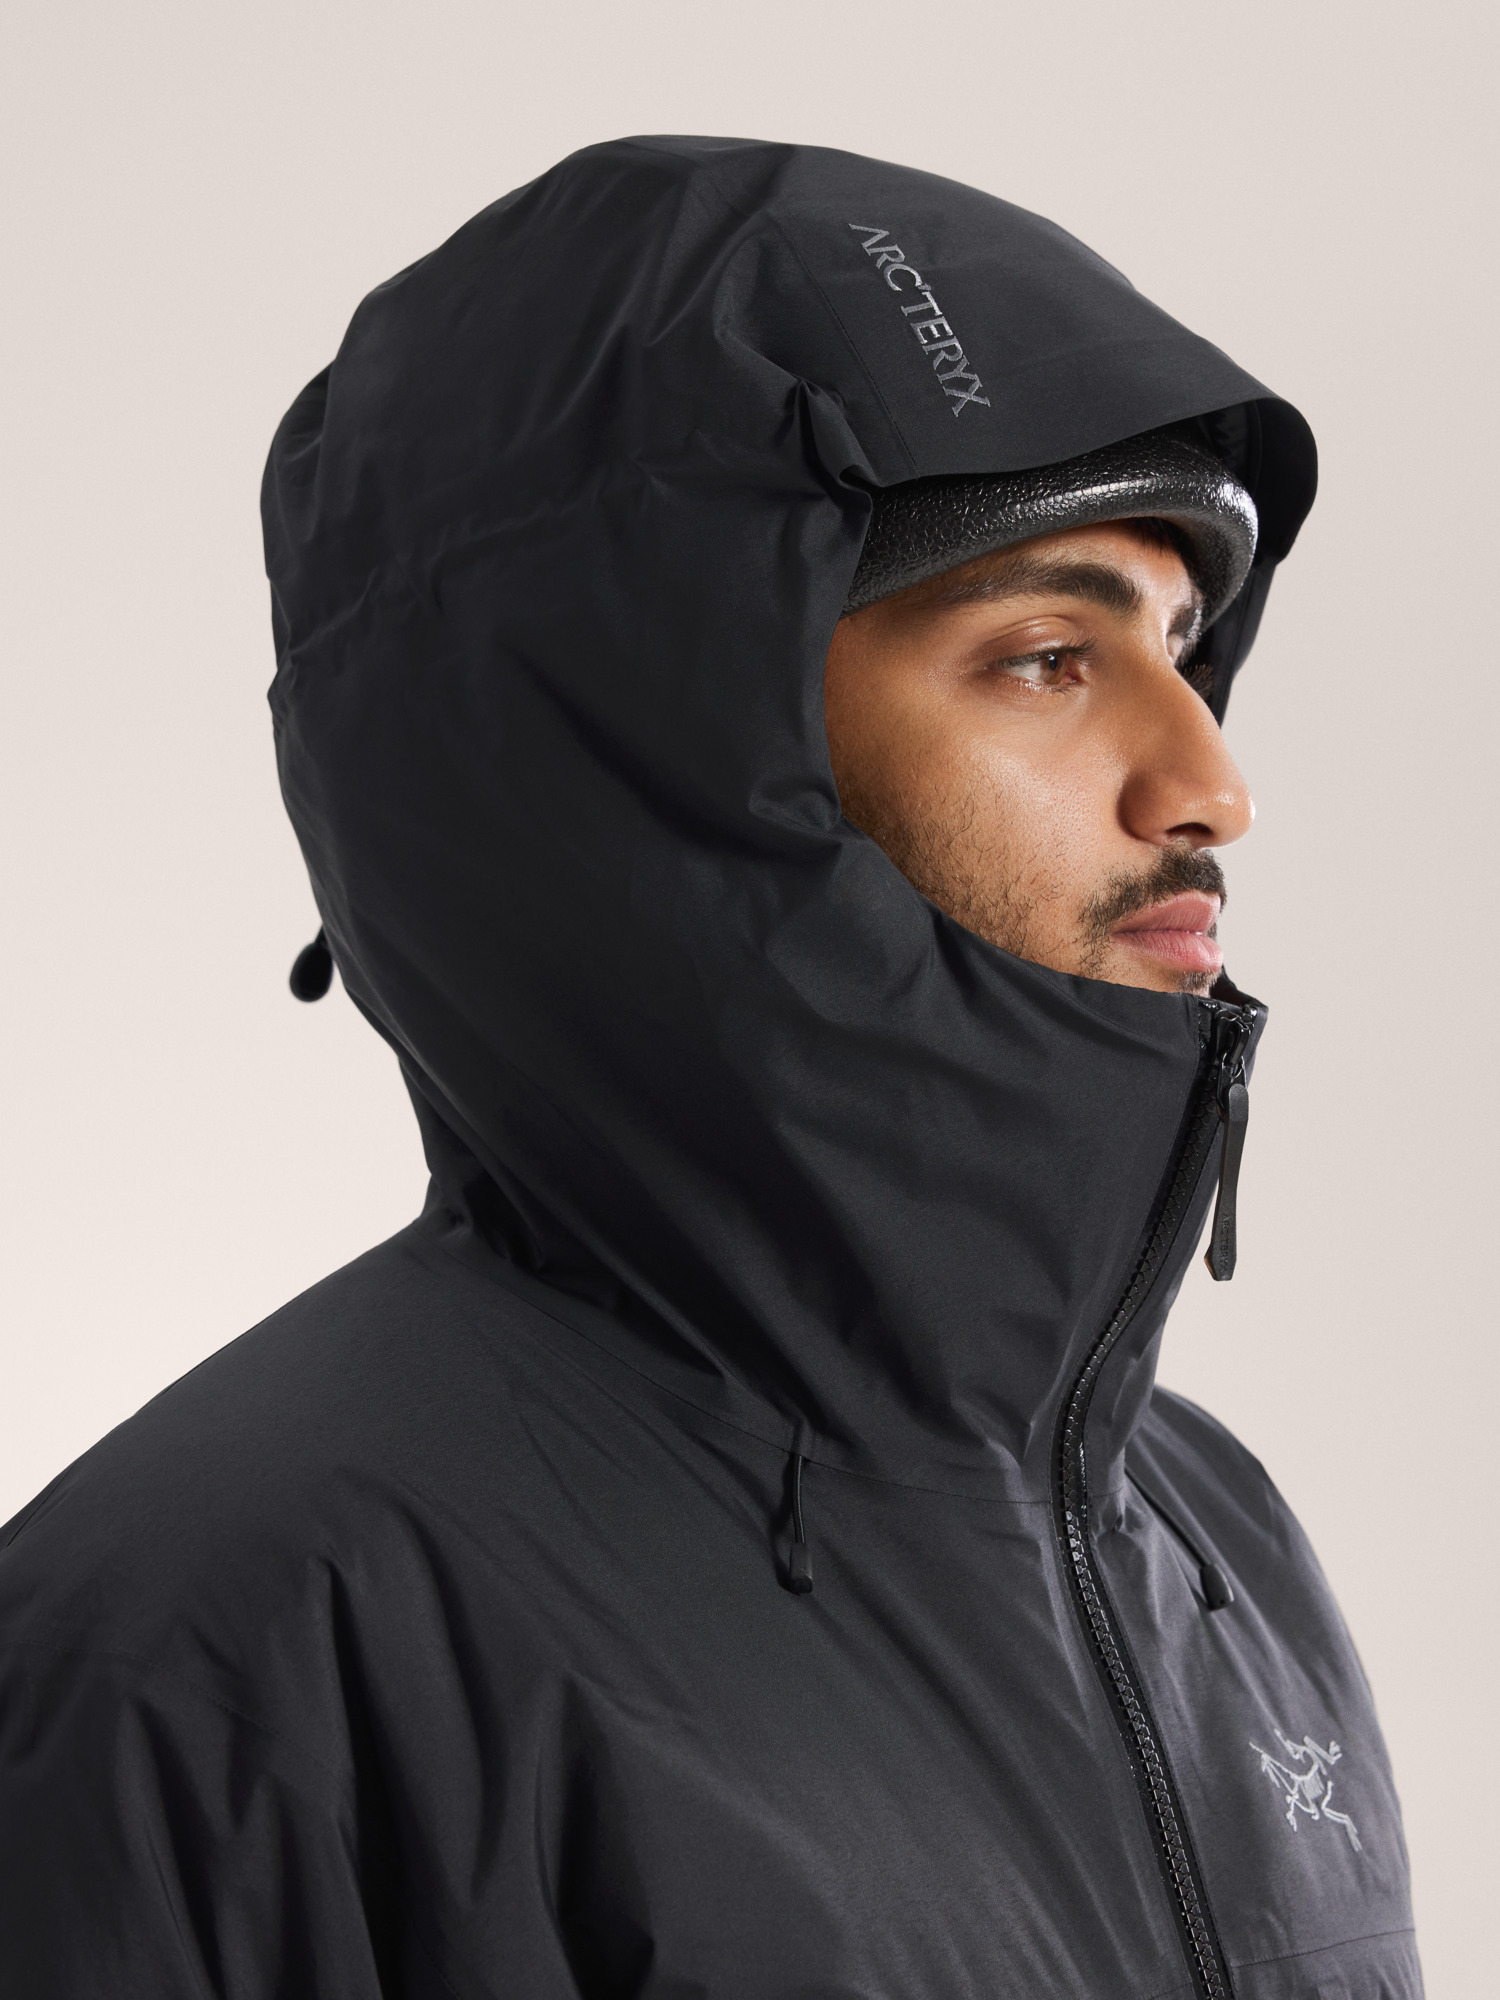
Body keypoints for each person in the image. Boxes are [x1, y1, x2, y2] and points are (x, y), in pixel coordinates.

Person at [0, 137, 1420, 1998]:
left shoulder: (1219, 1543)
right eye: (1045, 658)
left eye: (1181, 644)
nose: (1210, 782)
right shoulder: (217, 1658)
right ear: (666, 752)